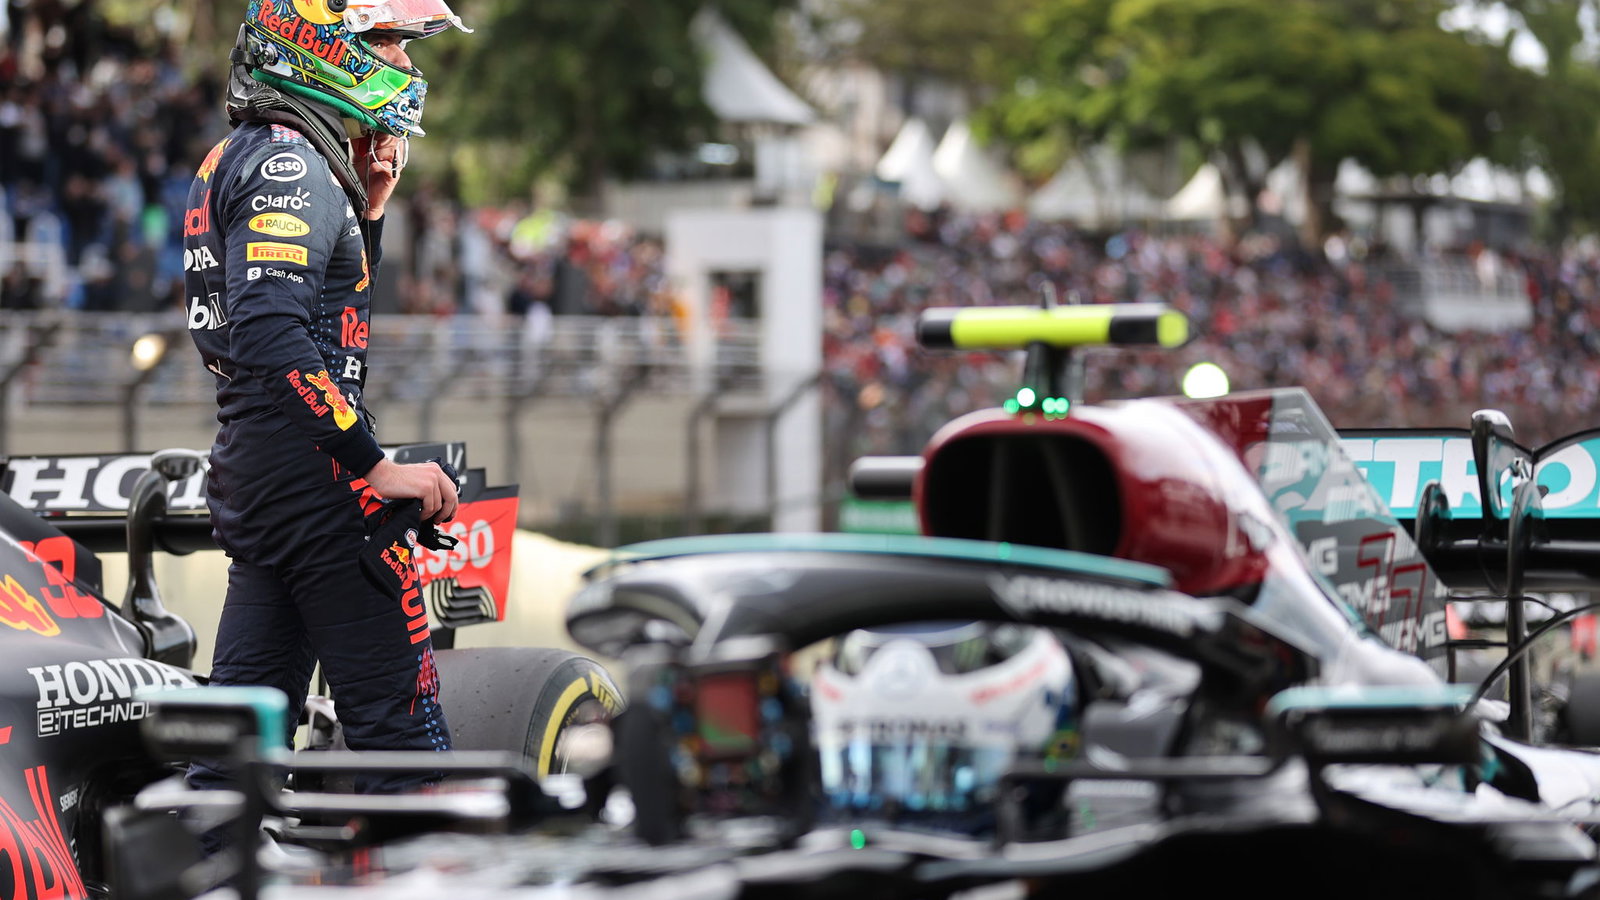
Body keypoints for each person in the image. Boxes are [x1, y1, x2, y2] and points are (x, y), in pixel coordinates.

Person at [182, 0, 472, 795]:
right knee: (406, 753)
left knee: (235, 763)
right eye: (387, 42)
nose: (405, 65)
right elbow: (274, 336)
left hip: (262, 475)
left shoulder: (245, 154)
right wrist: (373, 468)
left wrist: (367, 212)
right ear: (317, 43)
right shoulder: (293, 167)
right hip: (320, 485)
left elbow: (320, 317)